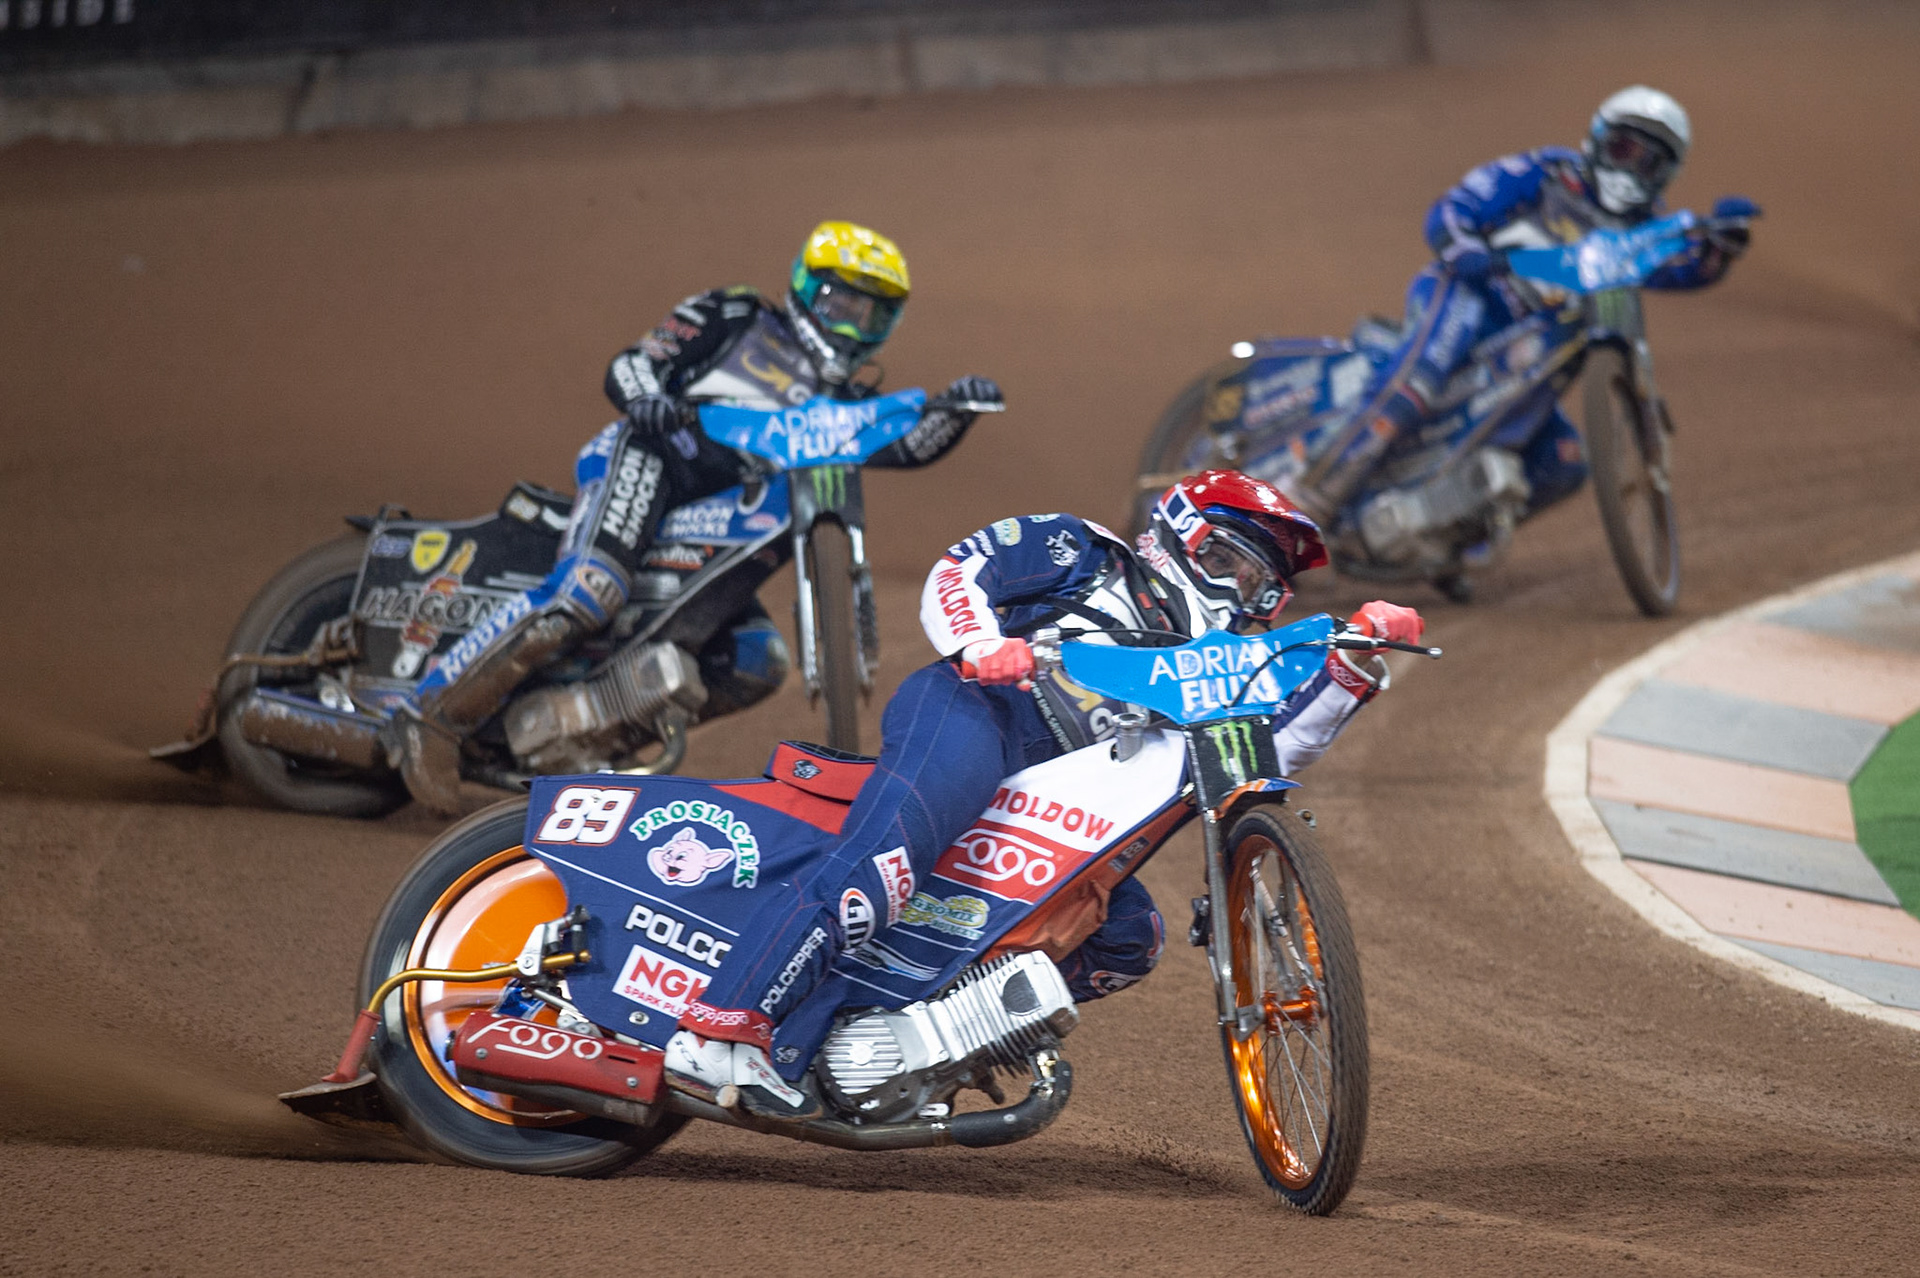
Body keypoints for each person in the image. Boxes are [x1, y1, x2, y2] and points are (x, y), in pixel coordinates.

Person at [660, 469, 1424, 1119]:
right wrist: (981, 644)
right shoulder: (1086, 552)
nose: (1241, 596)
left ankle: (919, 1042)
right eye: (1231, 564)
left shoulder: (1216, 671)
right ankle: (723, 1027)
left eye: (1263, 587)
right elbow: (962, 568)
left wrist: (1351, 669)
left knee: (1131, 940)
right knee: (885, 863)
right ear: (1181, 538)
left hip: (1058, 811)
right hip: (983, 713)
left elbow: (1267, 755)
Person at [383, 221, 1003, 814]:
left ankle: (576, 743)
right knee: (589, 592)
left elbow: (901, 446)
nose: (854, 324)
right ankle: (430, 718)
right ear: (807, 287)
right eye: (843, 302)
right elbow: (635, 361)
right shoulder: (736, 315)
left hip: (719, 527)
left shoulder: (842, 406)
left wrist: (958, 411)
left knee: (757, 661)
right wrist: (647, 401)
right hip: (653, 457)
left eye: (874, 312)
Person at [1288, 85, 1760, 526]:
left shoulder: (1644, 230)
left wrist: (1718, 253)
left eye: (1649, 164)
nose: (1630, 171)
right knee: (1416, 382)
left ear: (1666, 176)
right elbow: (1454, 208)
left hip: (1533, 355)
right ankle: (1310, 498)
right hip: (1469, 295)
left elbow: (1677, 270)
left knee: (1565, 464)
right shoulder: (1548, 173)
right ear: (1597, 140)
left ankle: (1446, 537)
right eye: (1622, 151)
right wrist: (1466, 250)